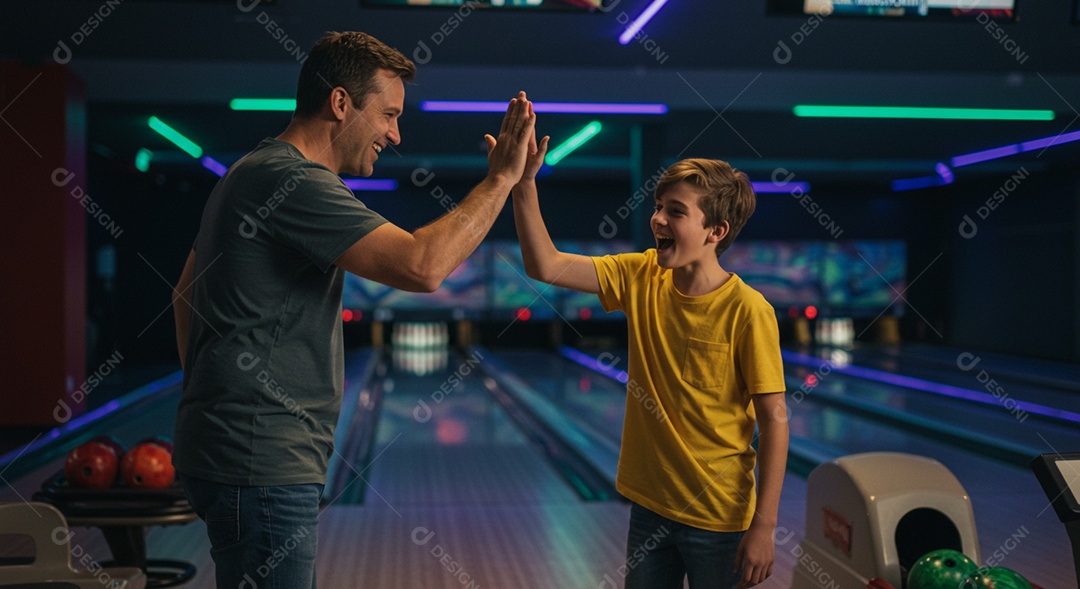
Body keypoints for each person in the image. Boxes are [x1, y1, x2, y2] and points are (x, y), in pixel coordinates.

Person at [170, 31, 536, 588]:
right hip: (263, 461)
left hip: (236, 452)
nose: (395, 133)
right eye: (388, 114)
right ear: (340, 104)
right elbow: (422, 266)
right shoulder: (292, 179)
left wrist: (212, 399)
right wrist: (502, 179)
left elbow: (182, 294)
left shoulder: (250, 170)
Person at [512, 140, 788, 589]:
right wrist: (523, 183)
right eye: (659, 207)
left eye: (675, 211)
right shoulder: (641, 275)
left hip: (718, 518)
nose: (657, 218)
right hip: (650, 510)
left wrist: (764, 526)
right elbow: (545, 265)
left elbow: (775, 421)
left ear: (715, 231)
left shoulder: (748, 310)